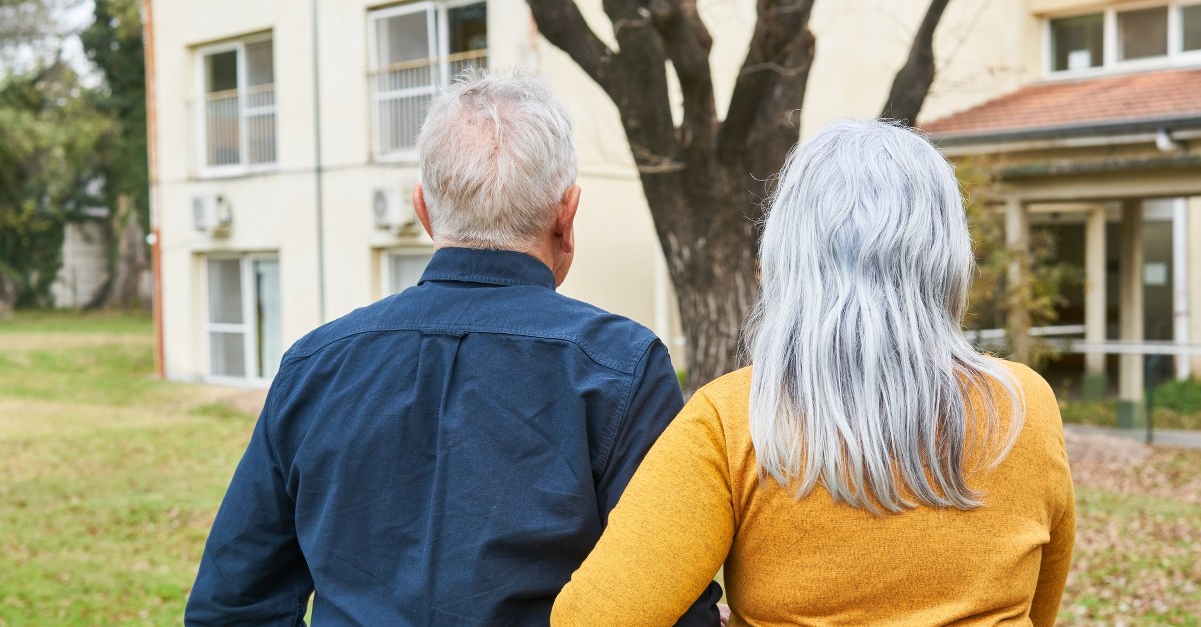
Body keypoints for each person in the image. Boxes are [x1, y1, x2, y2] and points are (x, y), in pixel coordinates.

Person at [185, 71, 722, 626]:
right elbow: (668, 605)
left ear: (424, 210)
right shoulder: (621, 367)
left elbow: (233, 604)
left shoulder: (314, 364)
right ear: (568, 212)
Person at [552, 119, 1075, 626]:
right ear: (947, 256)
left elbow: (595, 618)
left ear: (786, 254)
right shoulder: (1023, 406)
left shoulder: (736, 419)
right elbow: (1038, 607)